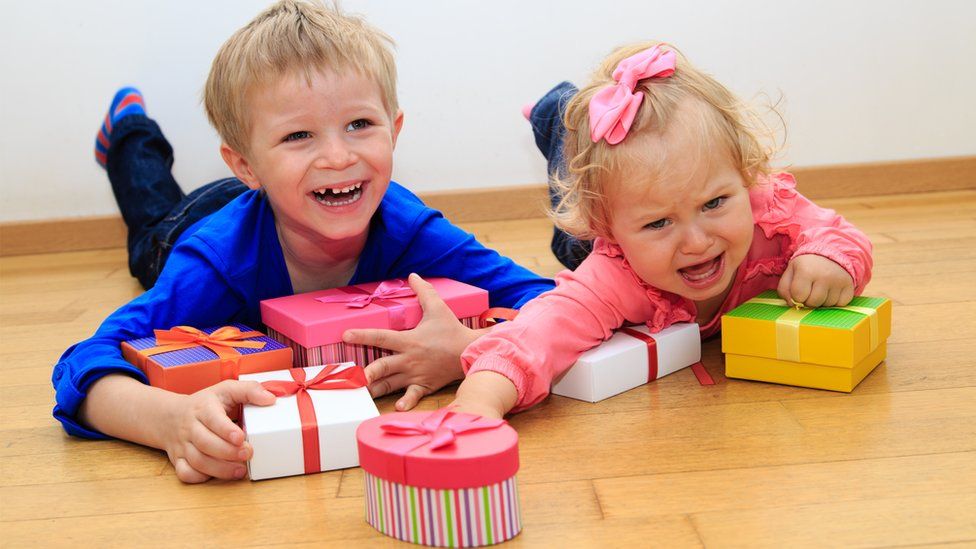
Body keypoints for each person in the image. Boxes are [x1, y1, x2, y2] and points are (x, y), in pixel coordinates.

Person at [55, 0, 554, 483]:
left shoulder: (410, 227)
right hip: (195, 223)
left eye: (359, 124)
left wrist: (466, 350)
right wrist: (169, 420)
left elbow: (549, 301)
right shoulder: (215, 261)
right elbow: (85, 362)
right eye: (299, 135)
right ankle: (129, 131)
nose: (338, 157)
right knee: (150, 228)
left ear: (394, 131)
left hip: (284, 195)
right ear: (246, 164)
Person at [448, 41, 874, 418]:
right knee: (569, 224)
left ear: (745, 175)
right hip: (588, 238)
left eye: (714, 203)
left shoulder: (770, 212)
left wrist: (829, 259)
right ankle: (555, 114)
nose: (697, 241)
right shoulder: (612, 271)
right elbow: (540, 331)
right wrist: (481, 398)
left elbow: (840, 235)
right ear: (610, 231)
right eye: (658, 222)